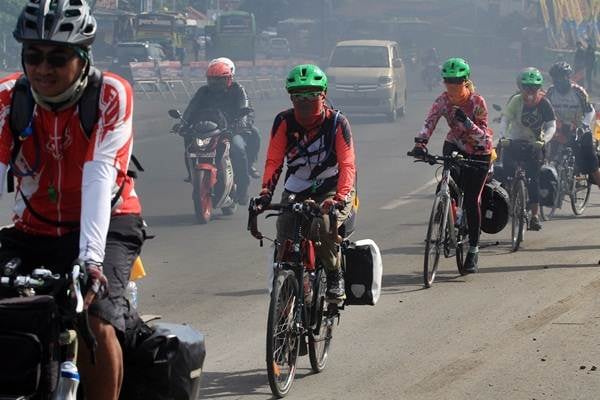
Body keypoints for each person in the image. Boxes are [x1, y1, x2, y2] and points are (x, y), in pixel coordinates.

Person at [4, 1, 144, 399]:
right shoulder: (8, 97)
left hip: (109, 223)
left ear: (83, 59)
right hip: (34, 227)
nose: (43, 69)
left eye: (58, 57)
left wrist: (91, 261)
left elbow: (99, 174)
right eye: (33, 55)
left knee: (95, 320)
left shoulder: (110, 94)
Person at [253, 64, 356, 300]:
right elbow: (274, 160)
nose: (305, 100)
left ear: (324, 93)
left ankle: (334, 275)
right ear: (290, 96)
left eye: (311, 93)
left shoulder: (338, 122)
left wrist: (340, 198)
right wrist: (266, 193)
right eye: (298, 95)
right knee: (284, 233)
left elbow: (348, 164)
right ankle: (288, 288)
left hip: (332, 186)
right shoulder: (284, 121)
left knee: (320, 228)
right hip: (296, 187)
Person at [410, 57, 493, 273]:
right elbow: (429, 122)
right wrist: (420, 143)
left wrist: (466, 121)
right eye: (448, 81)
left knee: (472, 200)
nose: (452, 85)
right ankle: (449, 213)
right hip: (454, 145)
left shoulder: (477, 102)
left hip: (479, 152)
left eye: (457, 81)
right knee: (444, 184)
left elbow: (485, 138)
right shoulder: (442, 101)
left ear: (466, 81)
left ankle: (473, 249)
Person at [181, 57, 261, 204]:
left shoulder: (238, 90)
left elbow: (246, 108)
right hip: (207, 129)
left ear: (229, 79)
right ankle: (191, 174)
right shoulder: (203, 91)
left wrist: (241, 125)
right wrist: (183, 123)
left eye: (220, 80)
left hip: (230, 129)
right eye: (212, 80)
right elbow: (191, 108)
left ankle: (243, 188)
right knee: (189, 143)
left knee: (237, 149)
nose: (215, 83)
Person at [498, 68, 556, 230]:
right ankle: (510, 194)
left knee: (533, 180)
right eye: (526, 87)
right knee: (506, 171)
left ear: (539, 88)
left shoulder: (544, 103)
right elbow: (505, 120)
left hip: (535, 145)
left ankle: (535, 216)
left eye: (534, 88)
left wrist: (543, 140)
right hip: (514, 142)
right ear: (520, 87)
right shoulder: (516, 101)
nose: (530, 91)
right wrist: (503, 137)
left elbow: (552, 125)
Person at [545, 61, 600, 186]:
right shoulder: (550, 92)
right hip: (559, 129)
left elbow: (589, 111)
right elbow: (545, 112)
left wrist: (584, 125)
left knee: (590, 162)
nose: (559, 80)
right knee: (548, 156)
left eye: (562, 77)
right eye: (556, 78)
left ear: (568, 77)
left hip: (578, 128)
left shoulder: (579, 92)